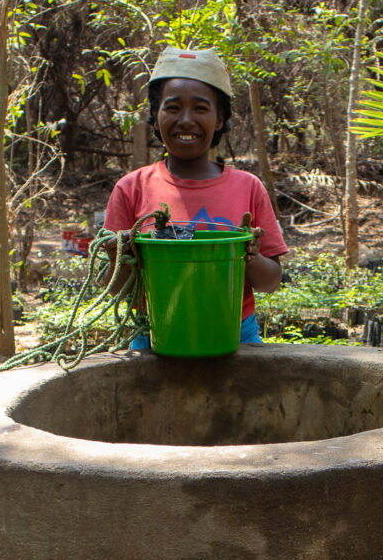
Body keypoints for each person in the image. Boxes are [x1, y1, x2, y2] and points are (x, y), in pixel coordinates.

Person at [104, 47, 285, 346]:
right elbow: (117, 288)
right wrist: (117, 255)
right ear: (155, 114)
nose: (186, 120)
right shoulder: (132, 187)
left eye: (200, 108)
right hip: (154, 334)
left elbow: (270, 282)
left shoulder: (248, 187)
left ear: (220, 118)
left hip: (235, 334)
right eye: (173, 107)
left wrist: (249, 256)